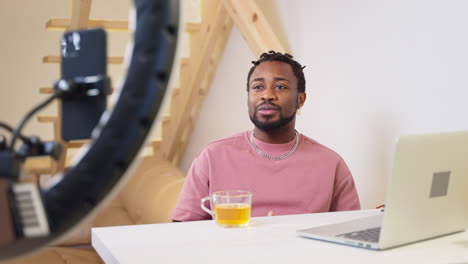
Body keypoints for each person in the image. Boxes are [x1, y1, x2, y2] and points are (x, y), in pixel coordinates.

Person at [171, 51, 360, 222]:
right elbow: (181, 232)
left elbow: (350, 231)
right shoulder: (212, 156)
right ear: (248, 97)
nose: (267, 95)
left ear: (300, 100)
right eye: (258, 87)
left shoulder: (330, 163)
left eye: (280, 87)